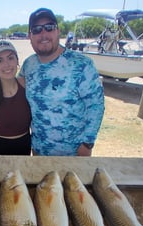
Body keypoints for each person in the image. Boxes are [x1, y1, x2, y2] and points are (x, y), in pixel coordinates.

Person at [18, 8, 105, 156]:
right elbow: (14, 93)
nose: (43, 34)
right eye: (37, 29)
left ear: (58, 31)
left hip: (74, 155)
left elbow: (96, 106)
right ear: (30, 36)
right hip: (38, 152)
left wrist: (87, 144)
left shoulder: (81, 64)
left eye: (49, 27)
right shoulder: (28, 65)